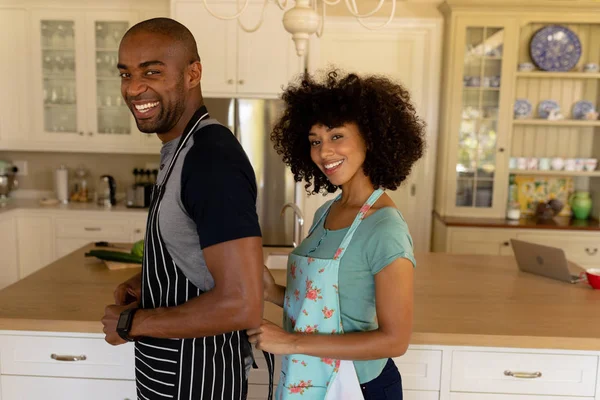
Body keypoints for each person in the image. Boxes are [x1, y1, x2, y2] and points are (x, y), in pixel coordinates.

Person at [100, 18, 271, 399]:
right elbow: (197, 259)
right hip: (172, 374)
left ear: (192, 73)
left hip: (200, 379)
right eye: (126, 73)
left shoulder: (210, 159)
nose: (134, 87)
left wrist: (132, 322)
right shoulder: (179, 150)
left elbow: (242, 303)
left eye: (152, 72)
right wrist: (153, 284)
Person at [248, 69, 425, 399]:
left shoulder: (384, 228)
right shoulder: (327, 211)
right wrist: (273, 292)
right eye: (315, 141)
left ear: (371, 138)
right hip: (311, 375)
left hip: (360, 386)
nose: (324, 152)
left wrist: (289, 341)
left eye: (336, 136)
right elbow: (327, 311)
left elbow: (395, 340)